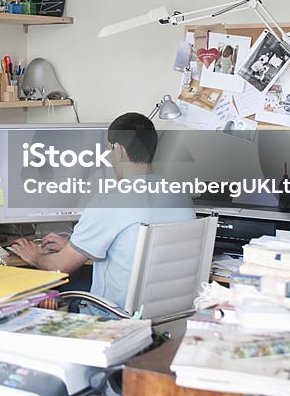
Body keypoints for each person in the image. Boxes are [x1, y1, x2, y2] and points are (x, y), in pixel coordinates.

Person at [11, 112, 195, 312]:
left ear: (118, 150)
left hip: (113, 319)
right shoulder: (180, 195)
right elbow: (132, 251)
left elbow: (59, 267)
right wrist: (76, 245)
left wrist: (34, 256)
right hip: (166, 317)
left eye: (108, 149)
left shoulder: (109, 201)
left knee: (41, 295)